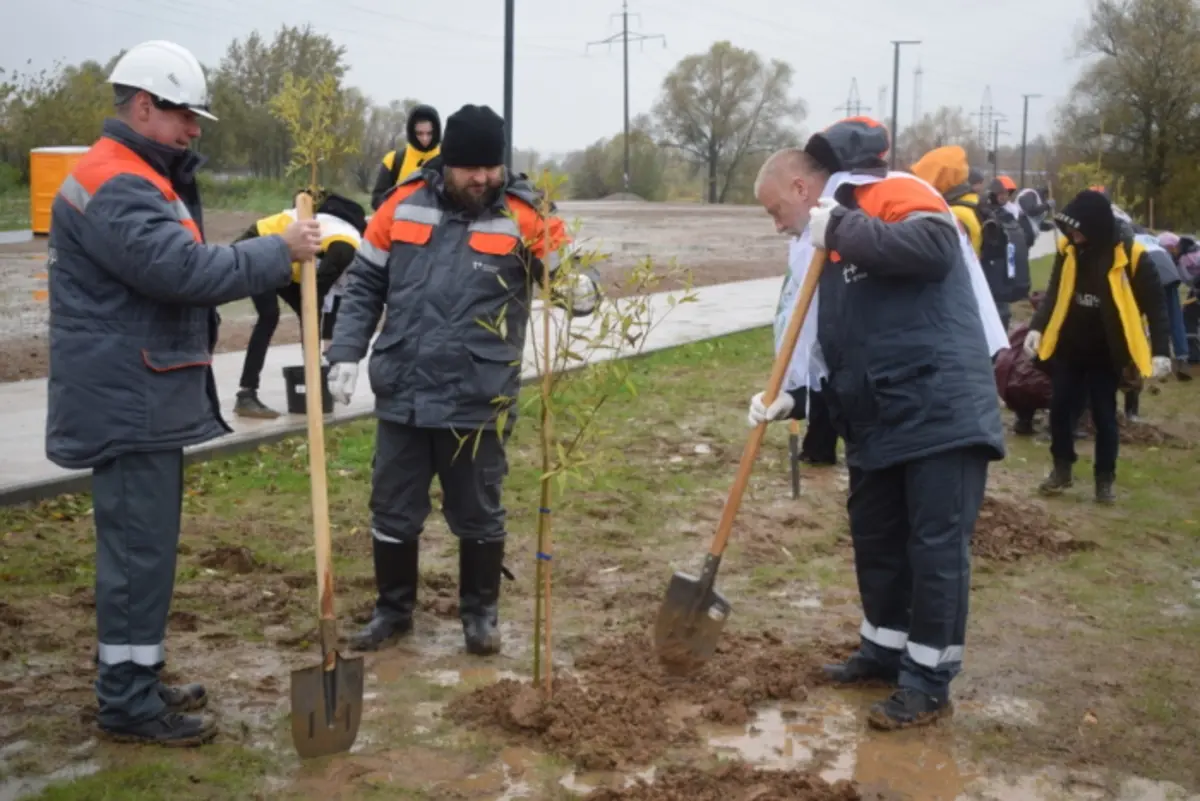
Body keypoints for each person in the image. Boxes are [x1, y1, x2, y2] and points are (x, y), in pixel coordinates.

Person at [44, 40, 321, 746]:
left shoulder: (137, 173)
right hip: (129, 399)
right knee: (137, 557)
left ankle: (138, 677)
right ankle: (127, 702)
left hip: (141, 393)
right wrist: (276, 251)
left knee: (148, 552)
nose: (194, 129)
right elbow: (179, 270)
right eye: (183, 115)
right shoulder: (117, 181)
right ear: (143, 106)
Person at [748, 118, 1006, 731]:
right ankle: (884, 652)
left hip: (939, 407)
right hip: (879, 418)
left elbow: (933, 250)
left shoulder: (891, 191)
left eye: (774, 208)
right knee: (877, 540)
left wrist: (841, 225)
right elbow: (841, 341)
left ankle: (927, 681)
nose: (776, 222)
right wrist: (796, 401)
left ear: (800, 185)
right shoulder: (820, 244)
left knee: (935, 549)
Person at [325, 104, 601, 656]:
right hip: (402, 389)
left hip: (479, 397)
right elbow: (362, 286)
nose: (483, 178)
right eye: (471, 168)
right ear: (446, 163)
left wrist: (584, 290)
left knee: (478, 511)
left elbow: (575, 272)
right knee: (392, 507)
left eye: (491, 168)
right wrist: (346, 352)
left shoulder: (526, 214)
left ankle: (480, 615)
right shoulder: (401, 204)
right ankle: (392, 611)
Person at [1026, 190, 1172, 503]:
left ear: (1095, 226)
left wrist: (1161, 351)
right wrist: (1037, 328)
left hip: (1108, 351)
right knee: (1060, 409)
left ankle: (1104, 480)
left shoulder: (1132, 257)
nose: (1073, 234)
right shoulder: (1069, 251)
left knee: (1105, 415)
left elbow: (1157, 307)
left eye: (1078, 228)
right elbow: (1053, 293)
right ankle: (1061, 468)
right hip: (1070, 346)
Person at [232, 192, 367, 418]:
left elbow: (327, 296)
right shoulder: (347, 245)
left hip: (285, 264)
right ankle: (246, 394)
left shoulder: (341, 238)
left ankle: (313, 386)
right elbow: (319, 290)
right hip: (257, 246)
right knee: (269, 315)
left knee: (310, 316)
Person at [370, 104, 442, 210]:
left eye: (429, 133)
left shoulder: (448, 161)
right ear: (412, 132)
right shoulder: (393, 160)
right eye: (420, 133)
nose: (425, 139)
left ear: (436, 132)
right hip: (399, 224)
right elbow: (377, 200)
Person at [1153, 231, 1195, 380]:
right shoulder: (1156, 243)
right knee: (1175, 316)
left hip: (1150, 270)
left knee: (1147, 318)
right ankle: (1182, 359)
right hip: (1169, 275)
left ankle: (1153, 358)